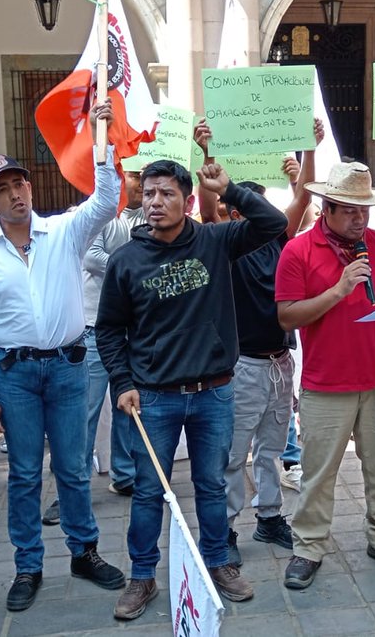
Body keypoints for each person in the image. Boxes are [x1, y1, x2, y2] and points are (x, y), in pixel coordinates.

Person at [97, 160, 285, 620]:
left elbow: (274, 224)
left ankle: (218, 562)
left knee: (211, 485)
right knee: (147, 492)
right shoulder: (127, 260)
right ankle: (142, 576)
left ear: (187, 199)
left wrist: (230, 190)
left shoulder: (216, 241)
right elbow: (109, 330)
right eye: (148, 194)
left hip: (214, 392)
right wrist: (123, 383)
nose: (155, 202)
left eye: (166, 194)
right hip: (154, 397)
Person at [0, 119, 124, 612]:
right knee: (25, 474)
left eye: (18, 184)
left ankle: (84, 552)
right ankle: (28, 565)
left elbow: (106, 200)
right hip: (17, 377)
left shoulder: (64, 232)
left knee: (73, 468)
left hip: (70, 368)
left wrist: (101, 143)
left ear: (30, 187)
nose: (14, 195)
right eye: (2, 190)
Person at [275, 162, 375, 589]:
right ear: (327, 207)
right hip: (325, 384)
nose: (360, 220)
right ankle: (309, 547)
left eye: (365, 211)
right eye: (350, 211)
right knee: (318, 473)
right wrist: (338, 290)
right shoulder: (297, 251)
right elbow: (286, 317)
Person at [196, 119, 320, 566]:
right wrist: (207, 153)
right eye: (247, 207)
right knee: (233, 453)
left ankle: (269, 516)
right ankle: (226, 526)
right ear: (234, 212)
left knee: (271, 448)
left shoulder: (279, 243)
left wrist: (309, 149)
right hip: (243, 365)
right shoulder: (223, 246)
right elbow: (208, 207)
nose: (257, 215)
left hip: (280, 362)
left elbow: (304, 196)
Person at [79, 167, 145, 505]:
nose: (140, 182)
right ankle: (74, 489)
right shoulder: (96, 215)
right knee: (86, 411)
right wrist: (135, 268)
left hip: (131, 329)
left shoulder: (143, 218)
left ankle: (125, 476)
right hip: (94, 328)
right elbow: (91, 258)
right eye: (134, 175)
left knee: (127, 405)